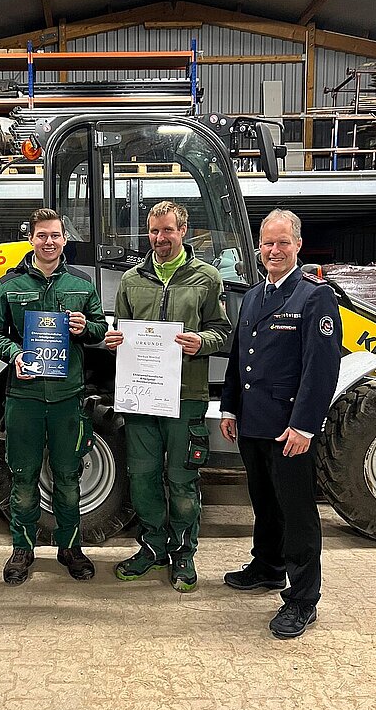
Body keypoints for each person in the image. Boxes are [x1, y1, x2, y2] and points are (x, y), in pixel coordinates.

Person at [220, 209, 341, 639]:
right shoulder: (254, 296)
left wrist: (305, 427)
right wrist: (229, 407)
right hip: (253, 424)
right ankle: (268, 567)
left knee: (297, 513)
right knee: (264, 502)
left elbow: (321, 370)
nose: (274, 250)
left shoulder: (314, 297)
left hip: (289, 428)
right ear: (259, 246)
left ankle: (304, 598)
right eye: (268, 242)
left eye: (283, 242)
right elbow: (239, 358)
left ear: (298, 246)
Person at [105, 200, 231, 592]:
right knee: (141, 478)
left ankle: (184, 554)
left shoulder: (206, 278)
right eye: (154, 231)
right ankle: (153, 548)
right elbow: (122, 329)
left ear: (184, 231)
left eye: (168, 230)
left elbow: (223, 331)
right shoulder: (131, 280)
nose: (160, 238)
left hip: (186, 395)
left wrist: (201, 341)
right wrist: (115, 341)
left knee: (181, 480)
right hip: (141, 397)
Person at [0, 208, 108, 585]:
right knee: (22, 476)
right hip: (23, 397)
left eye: (55, 235)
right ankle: (22, 549)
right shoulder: (8, 285)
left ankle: (71, 548)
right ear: (32, 239)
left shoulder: (82, 285)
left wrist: (87, 327)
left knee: (69, 476)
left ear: (64, 239)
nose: (49, 241)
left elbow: (101, 328)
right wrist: (15, 354)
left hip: (68, 397)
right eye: (42, 235)